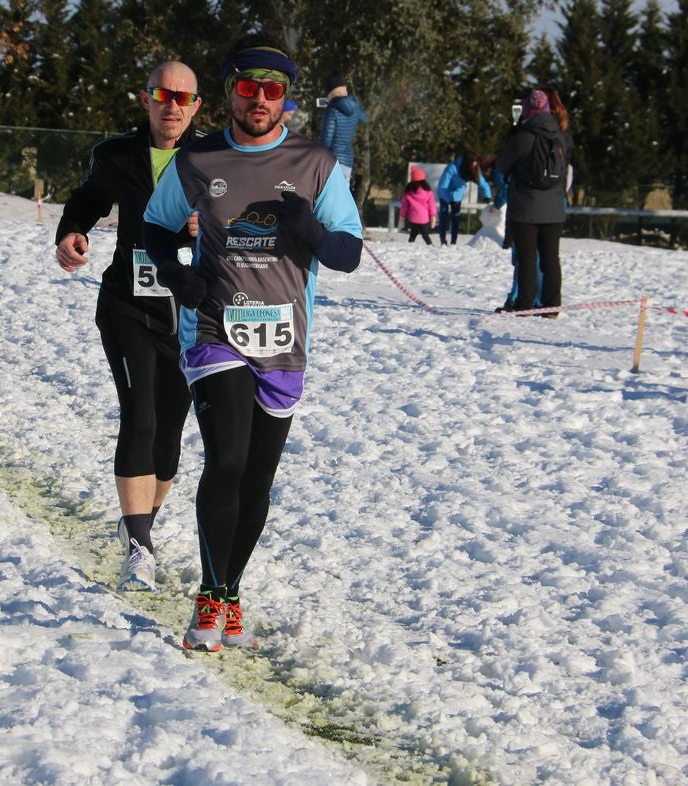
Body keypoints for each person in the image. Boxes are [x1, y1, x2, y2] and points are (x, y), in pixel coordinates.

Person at [142, 35, 362, 652]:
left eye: (272, 90)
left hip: (285, 339)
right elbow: (156, 228)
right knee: (228, 460)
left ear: (286, 99)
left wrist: (311, 229)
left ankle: (230, 593)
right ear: (230, 93)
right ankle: (209, 599)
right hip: (214, 330)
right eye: (247, 88)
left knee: (258, 481)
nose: (259, 100)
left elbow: (347, 253)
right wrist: (178, 274)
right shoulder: (197, 159)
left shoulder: (317, 164)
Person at [54, 62, 203, 593]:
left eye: (183, 97)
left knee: (169, 432)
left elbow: (244, 219)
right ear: (147, 99)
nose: (173, 106)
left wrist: (207, 224)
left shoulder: (214, 156)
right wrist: (72, 231)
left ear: (196, 105)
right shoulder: (116, 154)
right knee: (139, 415)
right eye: (163, 95)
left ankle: (141, 522)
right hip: (128, 305)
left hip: (189, 313)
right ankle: (139, 546)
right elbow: (89, 199)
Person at [494, 89, 572, 314]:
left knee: (527, 258)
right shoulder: (560, 137)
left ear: (528, 109)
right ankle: (552, 305)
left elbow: (501, 164)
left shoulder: (524, 136)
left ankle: (524, 304)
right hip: (554, 209)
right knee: (550, 258)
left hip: (525, 207)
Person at [317, 71, 366, 185]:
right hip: (348, 161)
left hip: (332, 162)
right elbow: (364, 119)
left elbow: (327, 139)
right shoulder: (355, 107)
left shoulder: (332, 110)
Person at [435, 151, 490, 245]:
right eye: (472, 164)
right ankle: (442, 240)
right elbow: (443, 185)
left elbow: (482, 182)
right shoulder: (452, 168)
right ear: (467, 163)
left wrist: (487, 195)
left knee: (455, 218)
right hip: (445, 191)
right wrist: (447, 198)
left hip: (457, 194)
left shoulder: (474, 168)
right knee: (444, 216)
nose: (474, 166)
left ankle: (453, 241)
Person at [400, 169, 436, 244]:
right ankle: (430, 246)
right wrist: (433, 216)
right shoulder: (428, 192)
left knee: (413, 235)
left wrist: (402, 217)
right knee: (425, 235)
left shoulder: (408, 192)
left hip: (413, 219)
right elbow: (431, 205)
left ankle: (410, 246)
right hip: (424, 219)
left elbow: (404, 207)